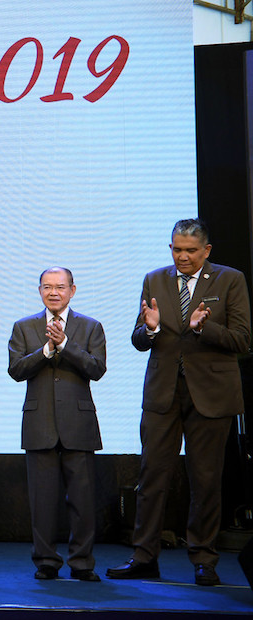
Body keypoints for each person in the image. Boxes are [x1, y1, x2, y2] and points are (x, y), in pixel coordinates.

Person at [108, 218, 251, 587]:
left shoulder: (229, 279)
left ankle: (204, 559)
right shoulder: (155, 279)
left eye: (190, 250)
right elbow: (139, 339)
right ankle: (144, 556)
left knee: (204, 480)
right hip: (162, 392)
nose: (182, 256)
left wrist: (206, 328)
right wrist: (151, 328)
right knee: (151, 475)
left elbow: (242, 341)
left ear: (206, 251)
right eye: (176, 249)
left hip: (211, 394)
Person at [7, 267, 106, 581]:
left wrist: (66, 346)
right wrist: (47, 351)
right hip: (40, 424)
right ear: (39, 291)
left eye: (60, 287)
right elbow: (16, 369)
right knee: (42, 501)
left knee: (83, 501)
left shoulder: (91, 327)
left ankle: (82, 562)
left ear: (72, 290)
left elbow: (96, 369)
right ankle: (46, 561)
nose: (53, 292)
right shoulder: (23, 327)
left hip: (78, 424)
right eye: (47, 287)